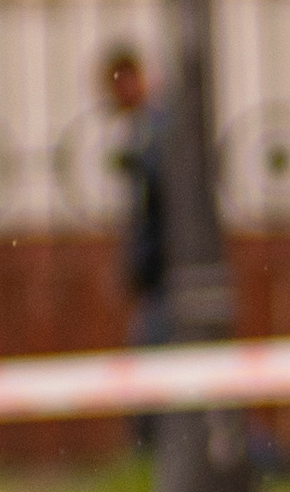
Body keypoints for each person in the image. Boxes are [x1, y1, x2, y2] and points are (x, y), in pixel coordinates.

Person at [102, 45, 167, 450]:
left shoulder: (156, 133)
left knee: (152, 374)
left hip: (166, 278)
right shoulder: (148, 131)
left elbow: (156, 217)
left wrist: (136, 266)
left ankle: (148, 454)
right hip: (162, 278)